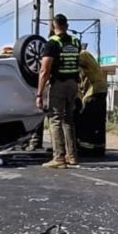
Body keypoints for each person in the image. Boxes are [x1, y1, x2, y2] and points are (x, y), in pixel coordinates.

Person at [36, 14, 81, 168]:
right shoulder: (76, 41)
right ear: (66, 25)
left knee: (55, 119)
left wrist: (39, 94)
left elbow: (44, 70)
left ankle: (59, 158)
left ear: (53, 26)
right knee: (68, 120)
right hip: (73, 83)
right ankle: (72, 156)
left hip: (59, 84)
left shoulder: (52, 43)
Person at [75, 46, 108, 157]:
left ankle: (86, 147)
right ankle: (99, 148)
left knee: (86, 119)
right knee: (98, 121)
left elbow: (72, 64)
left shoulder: (82, 54)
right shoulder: (87, 58)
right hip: (101, 89)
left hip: (95, 90)